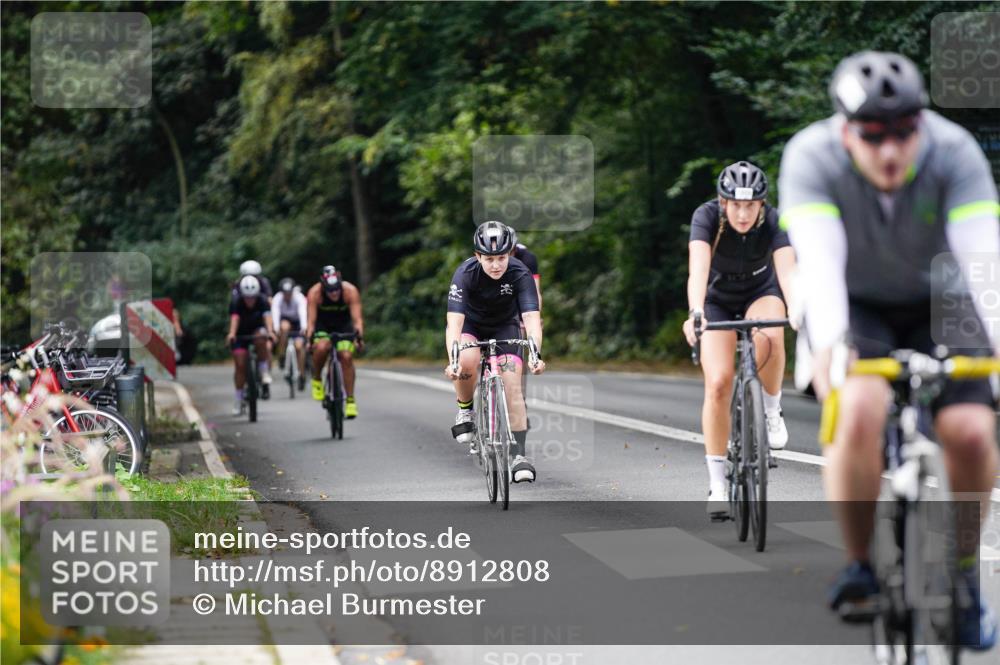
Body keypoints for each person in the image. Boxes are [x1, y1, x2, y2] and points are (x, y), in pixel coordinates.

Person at [780, 50, 999, 650]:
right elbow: (819, 263)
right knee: (858, 410)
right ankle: (859, 566)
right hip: (856, 304)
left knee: (973, 431)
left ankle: (962, 575)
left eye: (903, 132)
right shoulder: (811, 156)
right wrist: (828, 345)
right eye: (873, 136)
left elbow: (985, 266)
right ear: (845, 131)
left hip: (942, 302)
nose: (890, 151)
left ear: (921, 123)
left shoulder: (955, 152)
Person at [682, 161, 797, 517]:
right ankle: (718, 485)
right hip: (717, 300)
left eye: (751, 206)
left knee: (772, 335)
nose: (744, 214)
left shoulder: (776, 220)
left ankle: (771, 409)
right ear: (723, 202)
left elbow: (788, 270)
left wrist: (797, 308)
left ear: (762, 205)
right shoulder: (705, 217)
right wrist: (695, 313)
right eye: (736, 205)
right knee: (718, 383)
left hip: (760, 292)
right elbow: (698, 268)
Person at [445, 221, 546, 483]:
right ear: (477, 256)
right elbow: (453, 324)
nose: (496, 265)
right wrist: (453, 360)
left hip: (505, 326)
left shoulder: (519, 272)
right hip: (471, 325)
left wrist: (535, 354)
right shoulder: (465, 274)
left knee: (512, 384)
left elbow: (532, 318)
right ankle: (465, 409)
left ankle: (519, 455)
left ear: (509, 253)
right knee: (468, 360)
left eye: (501, 257)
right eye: (489, 259)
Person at [305, 266, 365, 418]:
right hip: (322, 325)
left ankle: (350, 401)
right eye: (330, 291)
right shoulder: (315, 293)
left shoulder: (350, 291)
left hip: (343, 325)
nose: (334, 293)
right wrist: (309, 340)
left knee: (346, 356)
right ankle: (317, 378)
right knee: (322, 347)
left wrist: (359, 338)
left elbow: (357, 320)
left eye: (337, 289)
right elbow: (311, 322)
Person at [224, 276, 277, 414]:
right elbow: (235, 318)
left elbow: (267, 317)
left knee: (262, 337)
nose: (250, 300)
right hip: (240, 334)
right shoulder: (236, 301)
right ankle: (238, 397)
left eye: (252, 297)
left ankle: (263, 369)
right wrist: (231, 334)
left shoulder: (263, 300)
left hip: (256, 330)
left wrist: (270, 332)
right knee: (240, 365)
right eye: (247, 297)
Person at [272, 277, 308, 391]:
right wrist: (276, 328)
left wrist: (303, 327)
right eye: (285, 293)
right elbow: (275, 313)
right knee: (284, 327)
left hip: (297, 322)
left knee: (299, 346)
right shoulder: (277, 298)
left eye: (289, 293)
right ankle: (281, 355)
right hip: (285, 321)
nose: (287, 295)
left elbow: (303, 313)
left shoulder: (299, 298)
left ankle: (302, 374)